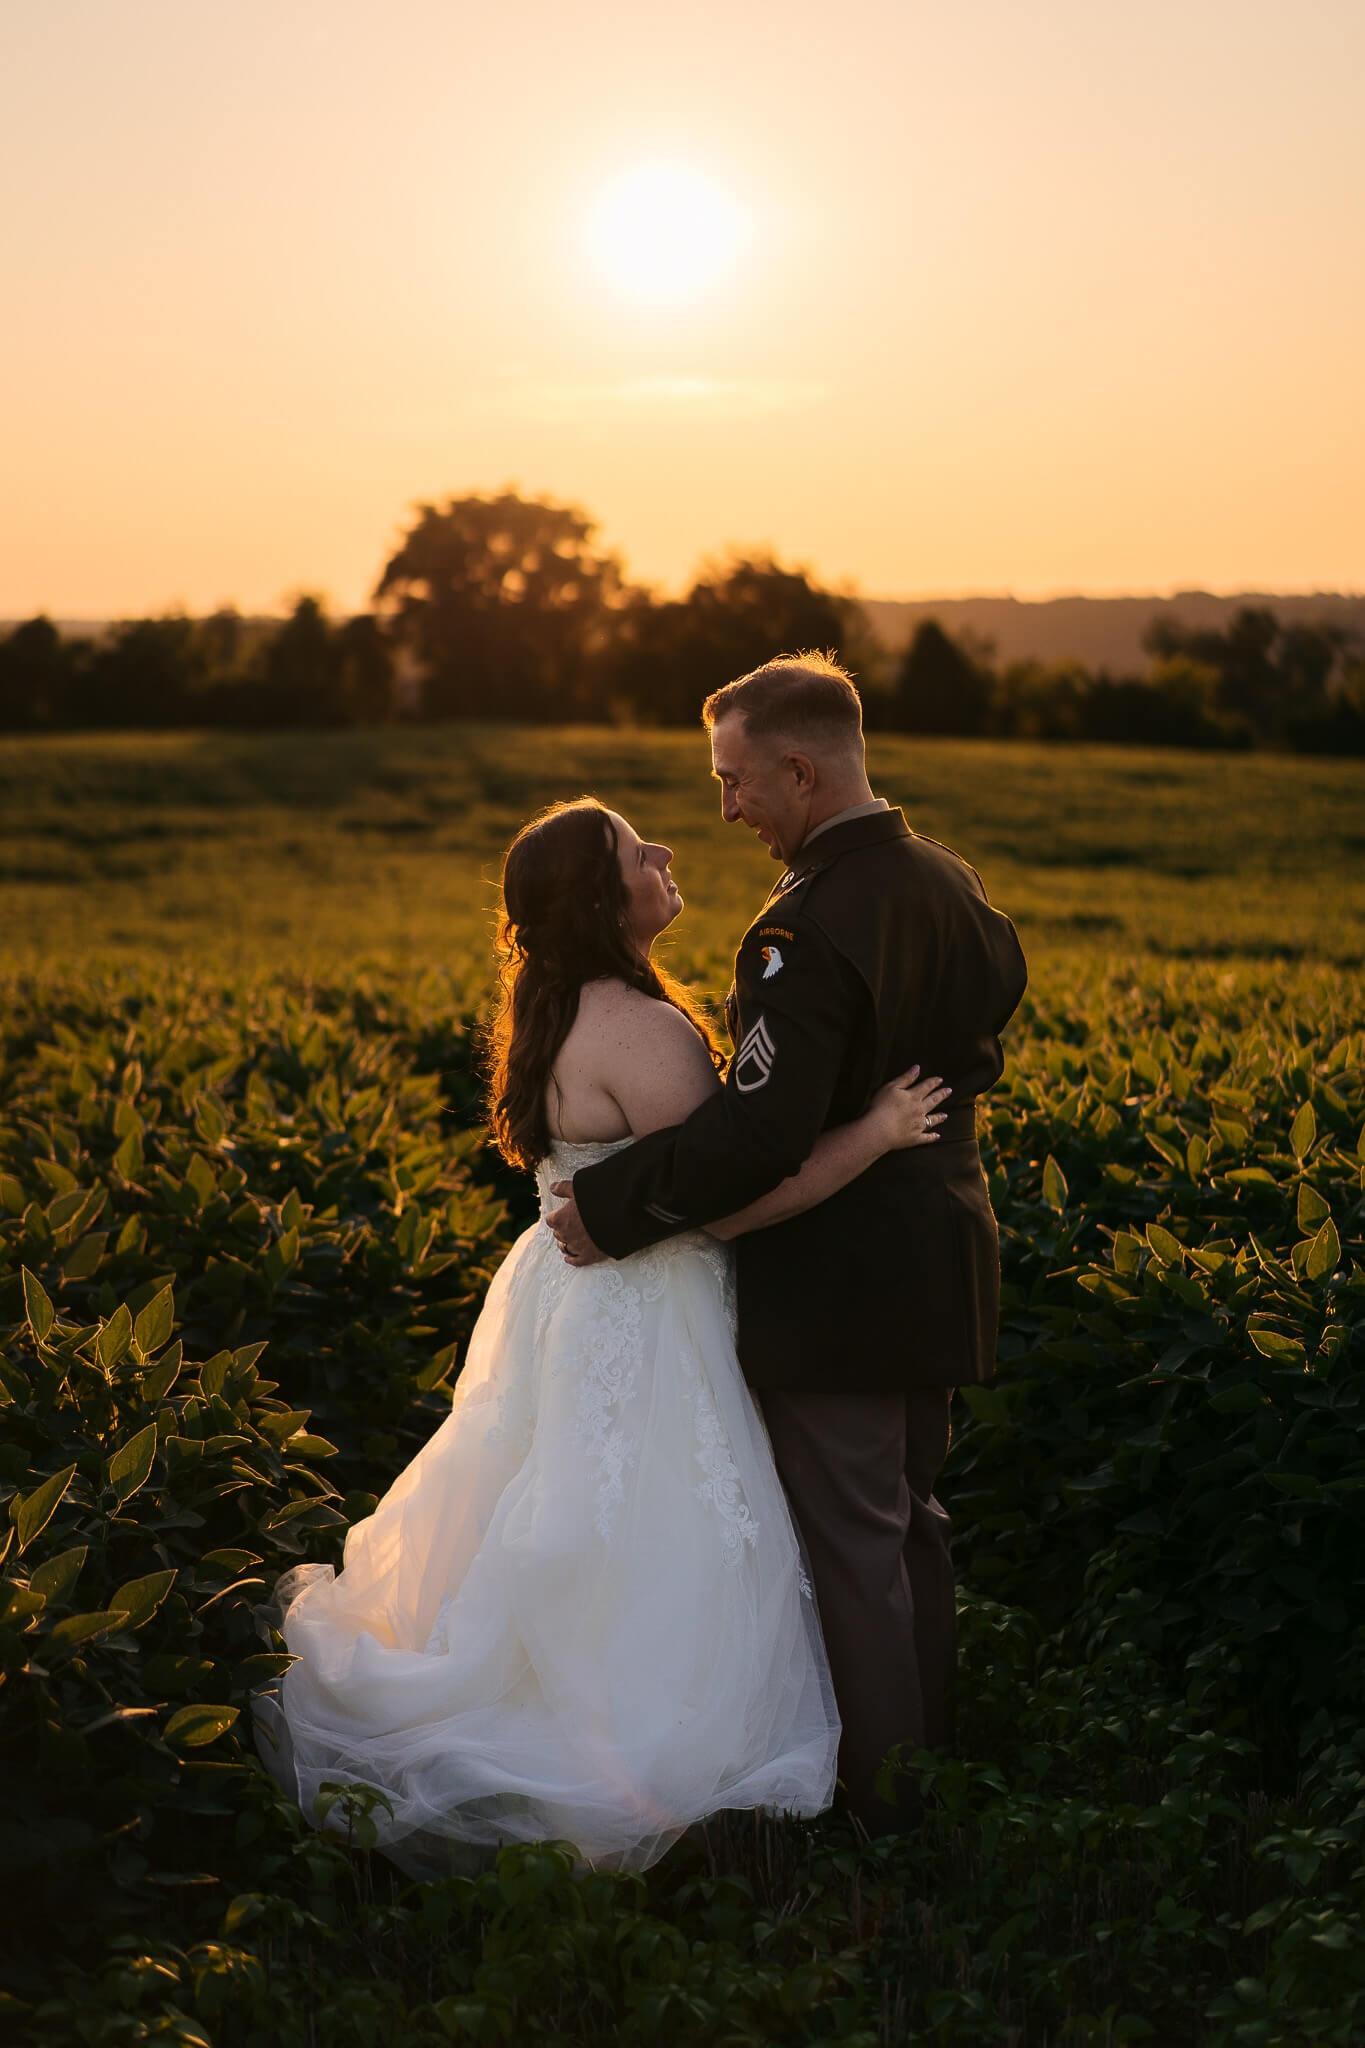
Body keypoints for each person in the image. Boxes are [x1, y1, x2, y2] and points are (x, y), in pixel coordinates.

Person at [251, 795, 950, 1878]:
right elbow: (726, 1201)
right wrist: (879, 1129)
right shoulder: (644, 1029)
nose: (665, 850)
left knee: (571, 1516)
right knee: (658, 1534)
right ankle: (657, 1780)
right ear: (600, 897)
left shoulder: (557, 1009)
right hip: (648, 1309)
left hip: (571, 1303)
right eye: (637, 850)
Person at [547, 653, 1029, 1827]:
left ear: (800, 770)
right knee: (913, 1521)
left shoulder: (800, 931)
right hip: (946, 1256)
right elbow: (988, 1021)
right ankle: (935, 1760)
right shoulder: (954, 886)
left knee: (856, 1550)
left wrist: (607, 1209)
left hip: (841, 1280)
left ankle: (890, 1813)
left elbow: (758, 1133)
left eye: (735, 780)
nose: (726, 810)